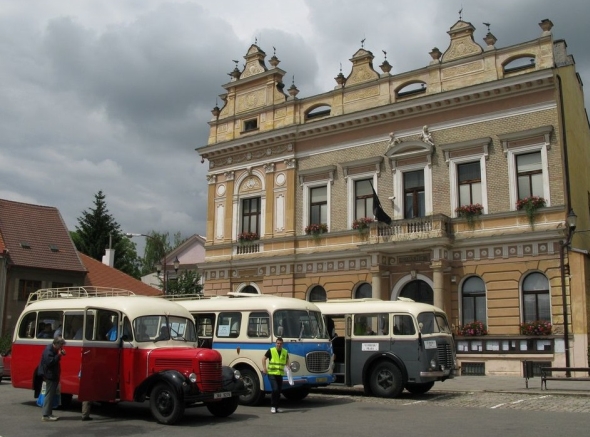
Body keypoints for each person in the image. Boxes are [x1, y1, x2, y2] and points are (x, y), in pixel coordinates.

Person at [38, 336, 66, 421]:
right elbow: (50, 362)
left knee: (51, 395)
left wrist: (59, 355)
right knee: (49, 395)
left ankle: (48, 413)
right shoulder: (48, 350)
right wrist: (59, 355)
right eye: (61, 345)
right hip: (49, 375)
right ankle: (46, 415)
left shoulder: (53, 349)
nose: (61, 347)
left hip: (52, 375)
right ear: (56, 344)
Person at [261, 337, 289, 414]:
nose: (279, 345)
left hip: (280, 374)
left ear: (282, 344)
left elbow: (287, 361)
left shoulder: (285, 352)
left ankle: (277, 407)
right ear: (275, 343)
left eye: (280, 343)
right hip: (272, 373)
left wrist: (288, 367)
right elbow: (263, 359)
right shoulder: (271, 350)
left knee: (279, 391)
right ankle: (273, 406)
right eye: (278, 343)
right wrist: (264, 368)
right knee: (275, 389)